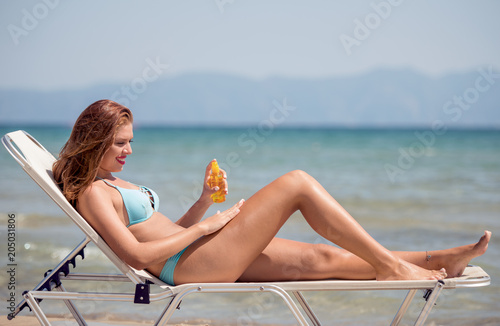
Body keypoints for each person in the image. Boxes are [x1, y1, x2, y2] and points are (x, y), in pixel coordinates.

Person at [53, 99, 490, 286]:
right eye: (119, 142)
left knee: (319, 259)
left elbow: (162, 233)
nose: (129, 150)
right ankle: (393, 268)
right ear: (94, 141)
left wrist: (204, 202)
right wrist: (211, 225)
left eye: (130, 140)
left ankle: (439, 260)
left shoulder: (114, 183)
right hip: (190, 265)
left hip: (194, 251)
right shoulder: (94, 192)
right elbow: (137, 256)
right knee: (297, 183)